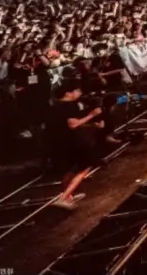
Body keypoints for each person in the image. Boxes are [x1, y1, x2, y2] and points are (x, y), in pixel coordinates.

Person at [49, 78, 103, 209]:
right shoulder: (70, 106)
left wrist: (89, 124)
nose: (80, 93)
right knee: (85, 167)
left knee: (70, 169)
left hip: (58, 141)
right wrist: (92, 115)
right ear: (68, 93)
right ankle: (64, 197)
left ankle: (68, 195)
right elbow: (73, 124)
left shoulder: (55, 105)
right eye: (77, 90)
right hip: (73, 142)